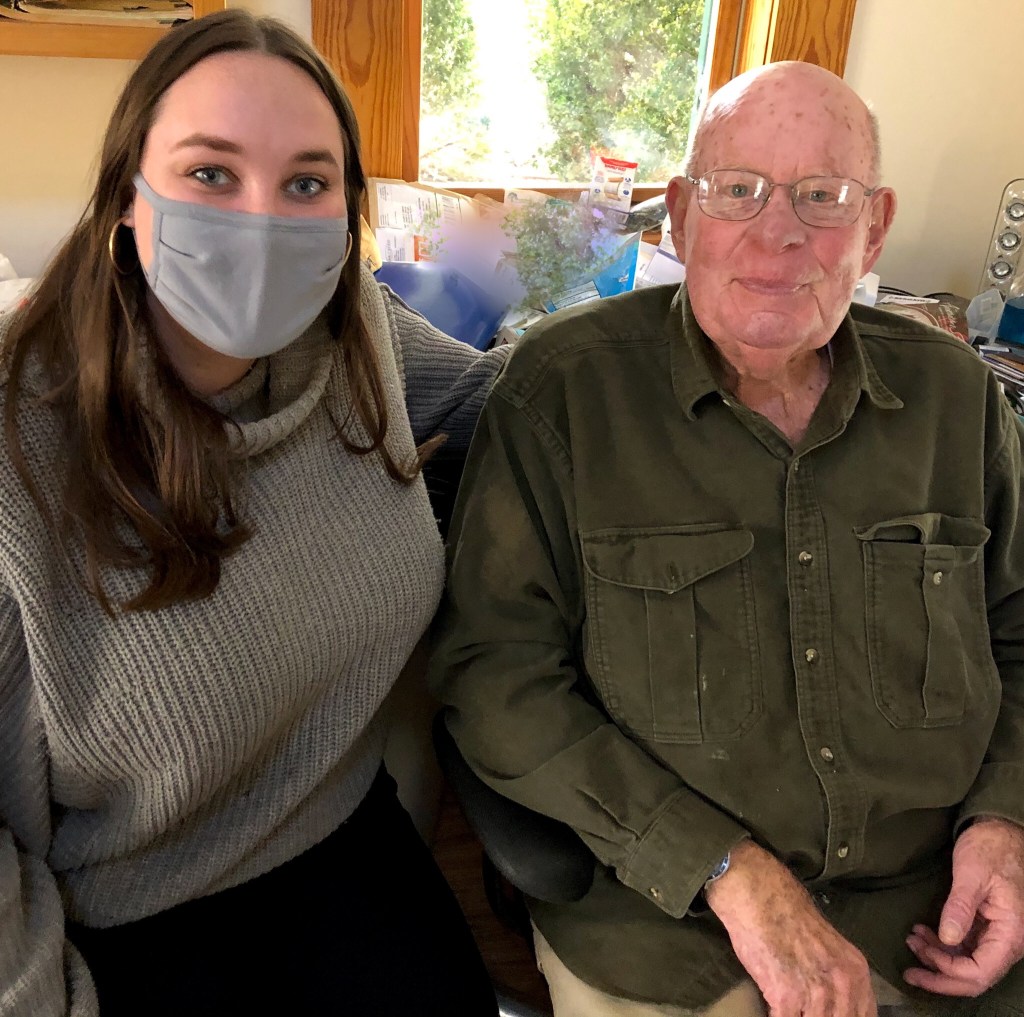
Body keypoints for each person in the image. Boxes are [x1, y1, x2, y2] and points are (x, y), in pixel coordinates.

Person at [430, 60, 1024, 1017]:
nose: (778, 231)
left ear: (874, 226)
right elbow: (495, 675)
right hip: (670, 924)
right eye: (738, 190)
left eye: (822, 196)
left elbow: (1018, 632)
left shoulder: (958, 399)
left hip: (938, 908)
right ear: (679, 215)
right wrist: (720, 864)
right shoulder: (563, 393)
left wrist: (1007, 818)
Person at [0, 10, 507, 1016]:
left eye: (307, 184)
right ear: (127, 197)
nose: (263, 221)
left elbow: (503, 402)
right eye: (211, 174)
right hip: (124, 917)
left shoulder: (354, 333)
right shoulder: (22, 446)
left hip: (345, 836)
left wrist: (686, 333)